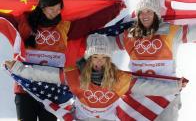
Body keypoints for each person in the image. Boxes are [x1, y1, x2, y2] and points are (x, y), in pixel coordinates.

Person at [4, 34, 185, 121]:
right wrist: (19, 68)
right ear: (88, 58)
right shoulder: (75, 75)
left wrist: (175, 86)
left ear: (108, 59)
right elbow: (45, 74)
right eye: (95, 57)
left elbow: (147, 86)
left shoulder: (118, 78)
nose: (99, 62)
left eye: (103, 58)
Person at [115, 0, 187, 121]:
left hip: (167, 94)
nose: (145, 15)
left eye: (149, 11)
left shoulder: (172, 31)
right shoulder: (129, 35)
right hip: (140, 94)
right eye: (141, 12)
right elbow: (108, 45)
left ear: (156, 14)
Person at [6, 0, 69, 120]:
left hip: (51, 90)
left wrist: (113, 9)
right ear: (42, 7)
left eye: (59, 9)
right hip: (25, 88)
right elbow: (5, 19)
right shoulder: (24, 22)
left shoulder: (64, 26)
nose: (56, 12)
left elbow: (89, 23)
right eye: (52, 9)